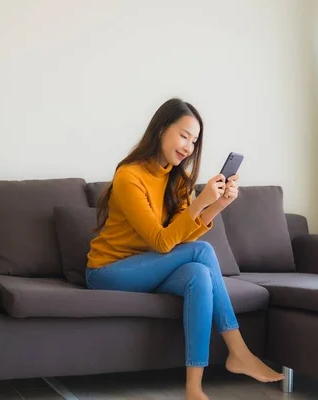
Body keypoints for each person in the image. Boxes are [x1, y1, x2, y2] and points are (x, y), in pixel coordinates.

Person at [86, 98, 284, 400]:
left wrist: (217, 204)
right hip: (109, 271)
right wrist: (201, 201)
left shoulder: (176, 179)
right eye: (183, 135)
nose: (188, 146)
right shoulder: (129, 176)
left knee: (198, 275)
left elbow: (182, 240)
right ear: (162, 128)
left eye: (194, 141)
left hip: (150, 266)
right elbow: (161, 241)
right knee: (203, 254)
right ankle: (239, 351)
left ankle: (193, 388)